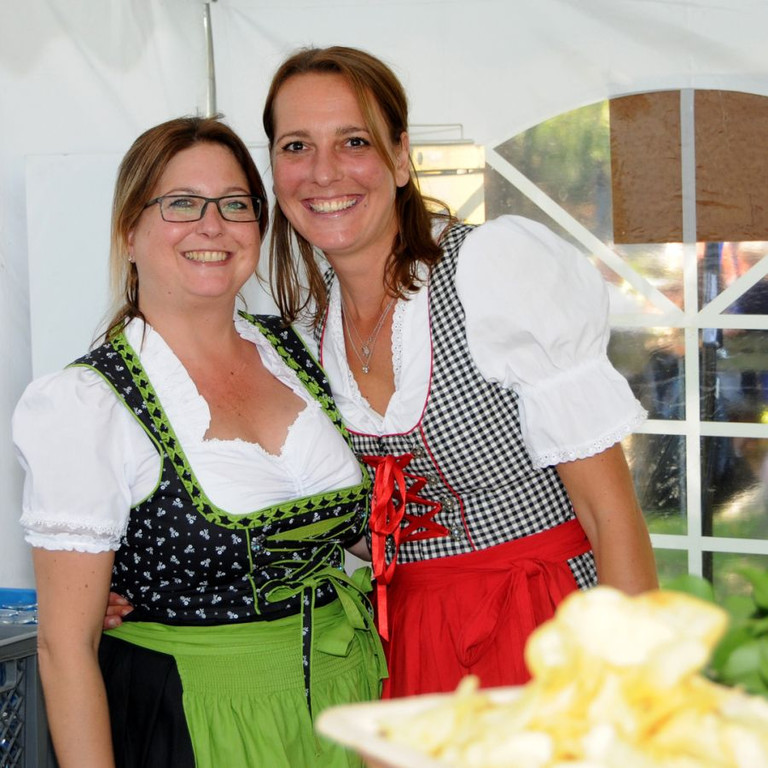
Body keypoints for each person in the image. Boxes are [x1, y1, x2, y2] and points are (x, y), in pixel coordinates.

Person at [261, 45, 659, 699]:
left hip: (544, 626)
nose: (323, 172)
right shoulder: (310, 328)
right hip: (412, 641)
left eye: (353, 141)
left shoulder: (490, 272)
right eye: (296, 146)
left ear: (400, 157)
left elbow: (609, 512)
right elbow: (345, 522)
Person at [12, 115, 385, 768]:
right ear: (129, 232)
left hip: (352, 696)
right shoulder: (89, 404)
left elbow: (366, 532)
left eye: (235, 204)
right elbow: (64, 649)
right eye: (182, 203)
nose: (212, 226)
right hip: (200, 719)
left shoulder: (301, 348)